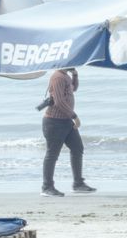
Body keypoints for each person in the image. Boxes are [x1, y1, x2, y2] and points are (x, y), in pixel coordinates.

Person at [40, 67, 96, 196]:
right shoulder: (58, 76)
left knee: (77, 148)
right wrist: (74, 116)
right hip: (54, 122)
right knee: (52, 154)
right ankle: (47, 187)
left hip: (65, 121)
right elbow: (59, 101)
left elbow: (73, 89)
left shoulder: (65, 75)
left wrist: (75, 75)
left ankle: (78, 184)